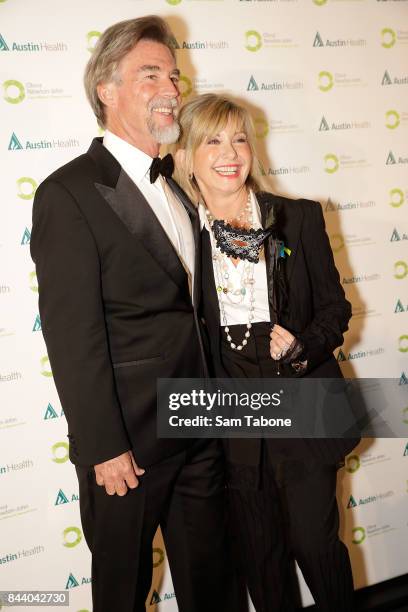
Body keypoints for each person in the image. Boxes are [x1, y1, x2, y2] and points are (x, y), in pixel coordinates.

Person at [30, 20, 238, 612]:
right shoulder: (68, 193)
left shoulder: (179, 188)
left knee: (212, 584)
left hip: (199, 424)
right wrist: (103, 446)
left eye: (173, 74)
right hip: (127, 448)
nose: (171, 86)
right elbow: (74, 335)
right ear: (107, 89)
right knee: (122, 593)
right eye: (151, 75)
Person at [173, 93, 360, 612]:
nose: (229, 152)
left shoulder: (296, 218)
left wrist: (303, 346)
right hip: (232, 418)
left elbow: (337, 309)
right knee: (261, 558)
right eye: (211, 139)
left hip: (302, 403)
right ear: (186, 155)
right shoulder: (179, 237)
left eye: (238, 138)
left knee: (315, 544)